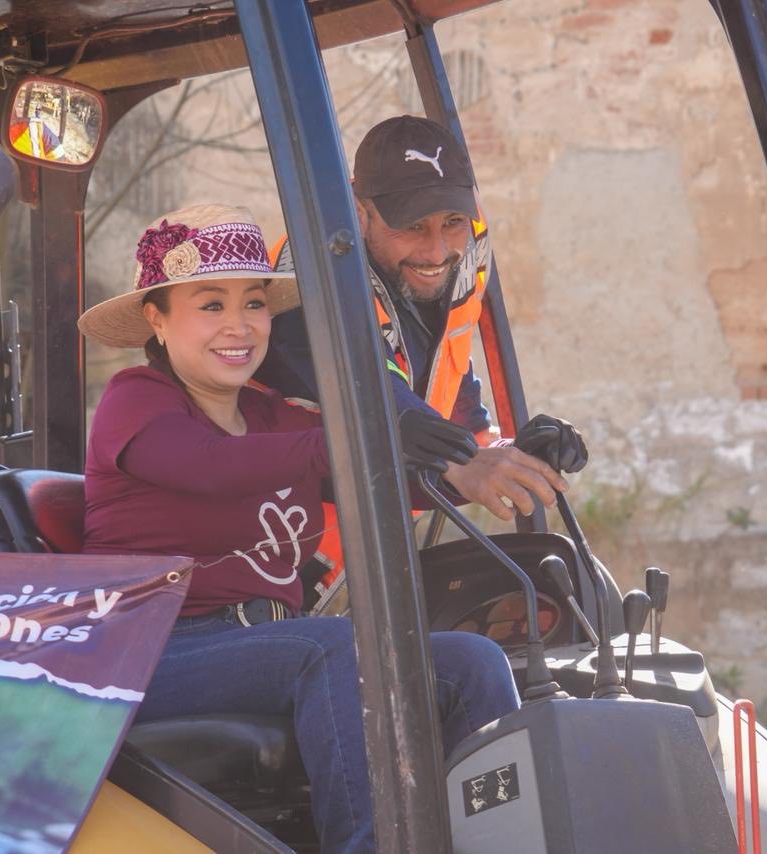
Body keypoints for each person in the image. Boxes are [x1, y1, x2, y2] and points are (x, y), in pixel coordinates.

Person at [78, 203, 534, 852]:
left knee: (471, 661)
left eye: (254, 304)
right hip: (151, 650)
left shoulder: (274, 417)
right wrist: (360, 436)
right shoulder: (137, 400)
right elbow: (211, 466)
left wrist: (484, 466)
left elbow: (378, 479)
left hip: (268, 642)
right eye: (211, 305)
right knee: (333, 647)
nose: (238, 325)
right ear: (157, 318)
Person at [256, 115, 586, 606]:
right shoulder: (304, 282)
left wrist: (514, 453)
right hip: (264, 562)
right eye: (412, 226)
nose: (436, 250)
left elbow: (451, 401)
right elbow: (370, 391)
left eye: (452, 222)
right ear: (358, 212)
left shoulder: (458, 267)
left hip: (364, 563)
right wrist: (460, 461)